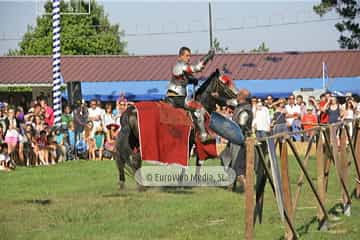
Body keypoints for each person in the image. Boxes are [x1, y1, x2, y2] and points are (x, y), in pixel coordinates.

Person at [166, 46, 215, 142]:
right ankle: (203, 135)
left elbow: (186, 78)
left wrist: (193, 80)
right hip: (177, 97)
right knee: (199, 108)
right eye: (187, 56)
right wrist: (208, 57)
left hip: (178, 96)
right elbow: (197, 68)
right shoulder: (179, 66)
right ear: (180, 57)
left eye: (189, 56)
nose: (189, 58)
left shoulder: (182, 69)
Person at [220, 88, 253, 191]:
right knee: (225, 157)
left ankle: (248, 190)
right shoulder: (239, 106)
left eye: (238, 94)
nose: (236, 95)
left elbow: (241, 127)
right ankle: (230, 184)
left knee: (237, 165)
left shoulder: (245, 111)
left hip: (239, 140)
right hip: (233, 138)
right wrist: (217, 97)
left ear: (242, 97)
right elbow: (227, 101)